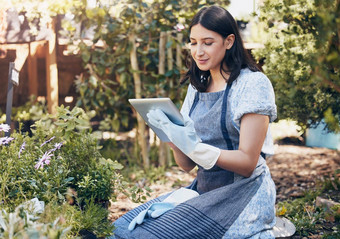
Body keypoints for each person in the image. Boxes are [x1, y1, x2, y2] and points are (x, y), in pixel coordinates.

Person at [110, 5, 277, 239]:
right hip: (205, 190)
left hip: (243, 195)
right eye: (193, 42)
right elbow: (187, 165)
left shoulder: (253, 84)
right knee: (120, 230)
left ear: (229, 41)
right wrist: (170, 137)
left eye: (207, 42)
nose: (198, 51)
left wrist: (198, 148)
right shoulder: (197, 86)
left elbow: (248, 162)